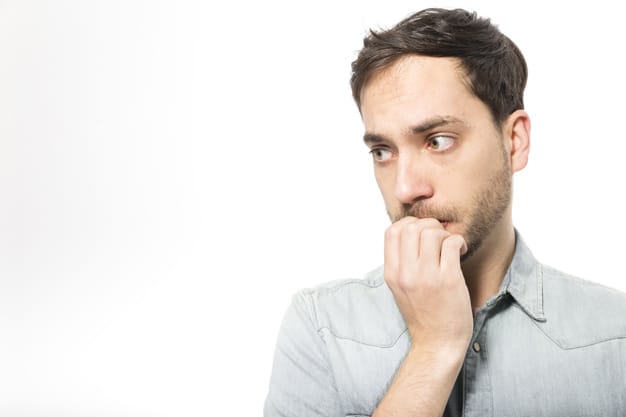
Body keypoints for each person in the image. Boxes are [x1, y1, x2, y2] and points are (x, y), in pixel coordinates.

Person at [263, 8, 626, 417]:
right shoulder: (322, 330)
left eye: (437, 141)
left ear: (515, 141)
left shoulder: (616, 337)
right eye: (382, 151)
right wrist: (435, 349)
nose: (405, 189)